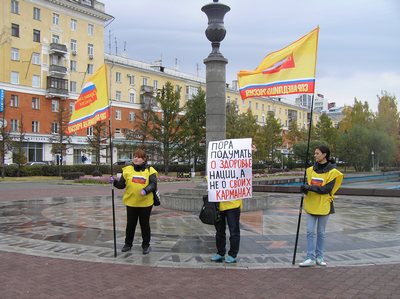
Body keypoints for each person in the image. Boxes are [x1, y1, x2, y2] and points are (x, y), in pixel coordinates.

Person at [210, 143, 256, 264]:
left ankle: (232, 254)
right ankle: (220, 252)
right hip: (219, 204)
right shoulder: (216, 167)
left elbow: (246, 166)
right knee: (219, 231)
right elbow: (211, 178)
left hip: (233, 205)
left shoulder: (238, 168)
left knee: (233, 230)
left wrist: (249, 152)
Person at [299, 145, 343, 267]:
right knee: (309, 231)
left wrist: (310, 187)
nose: (315, 155)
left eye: (317, 153)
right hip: (311, 205)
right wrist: (304, 189)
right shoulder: (310, 170)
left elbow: (326, 189)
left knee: (321, 232)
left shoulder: (333, 172)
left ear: (324, 155)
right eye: (314, 153)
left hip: (324, 205)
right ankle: (310, 257)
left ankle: (319, 256)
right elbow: (308, 186)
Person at [112, 148, 158, 254]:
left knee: (144, 224)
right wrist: (113, 181)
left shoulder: (150, 170)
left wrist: (145, 190)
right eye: (135, 157)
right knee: (130, 224)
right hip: (131, 202)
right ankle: (128, 244)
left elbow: (153, 184)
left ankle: (146, 245)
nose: (136, 159)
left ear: (144, 159)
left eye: (139, 157)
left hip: (145, 203)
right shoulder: (127, 169)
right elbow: (121, 185)